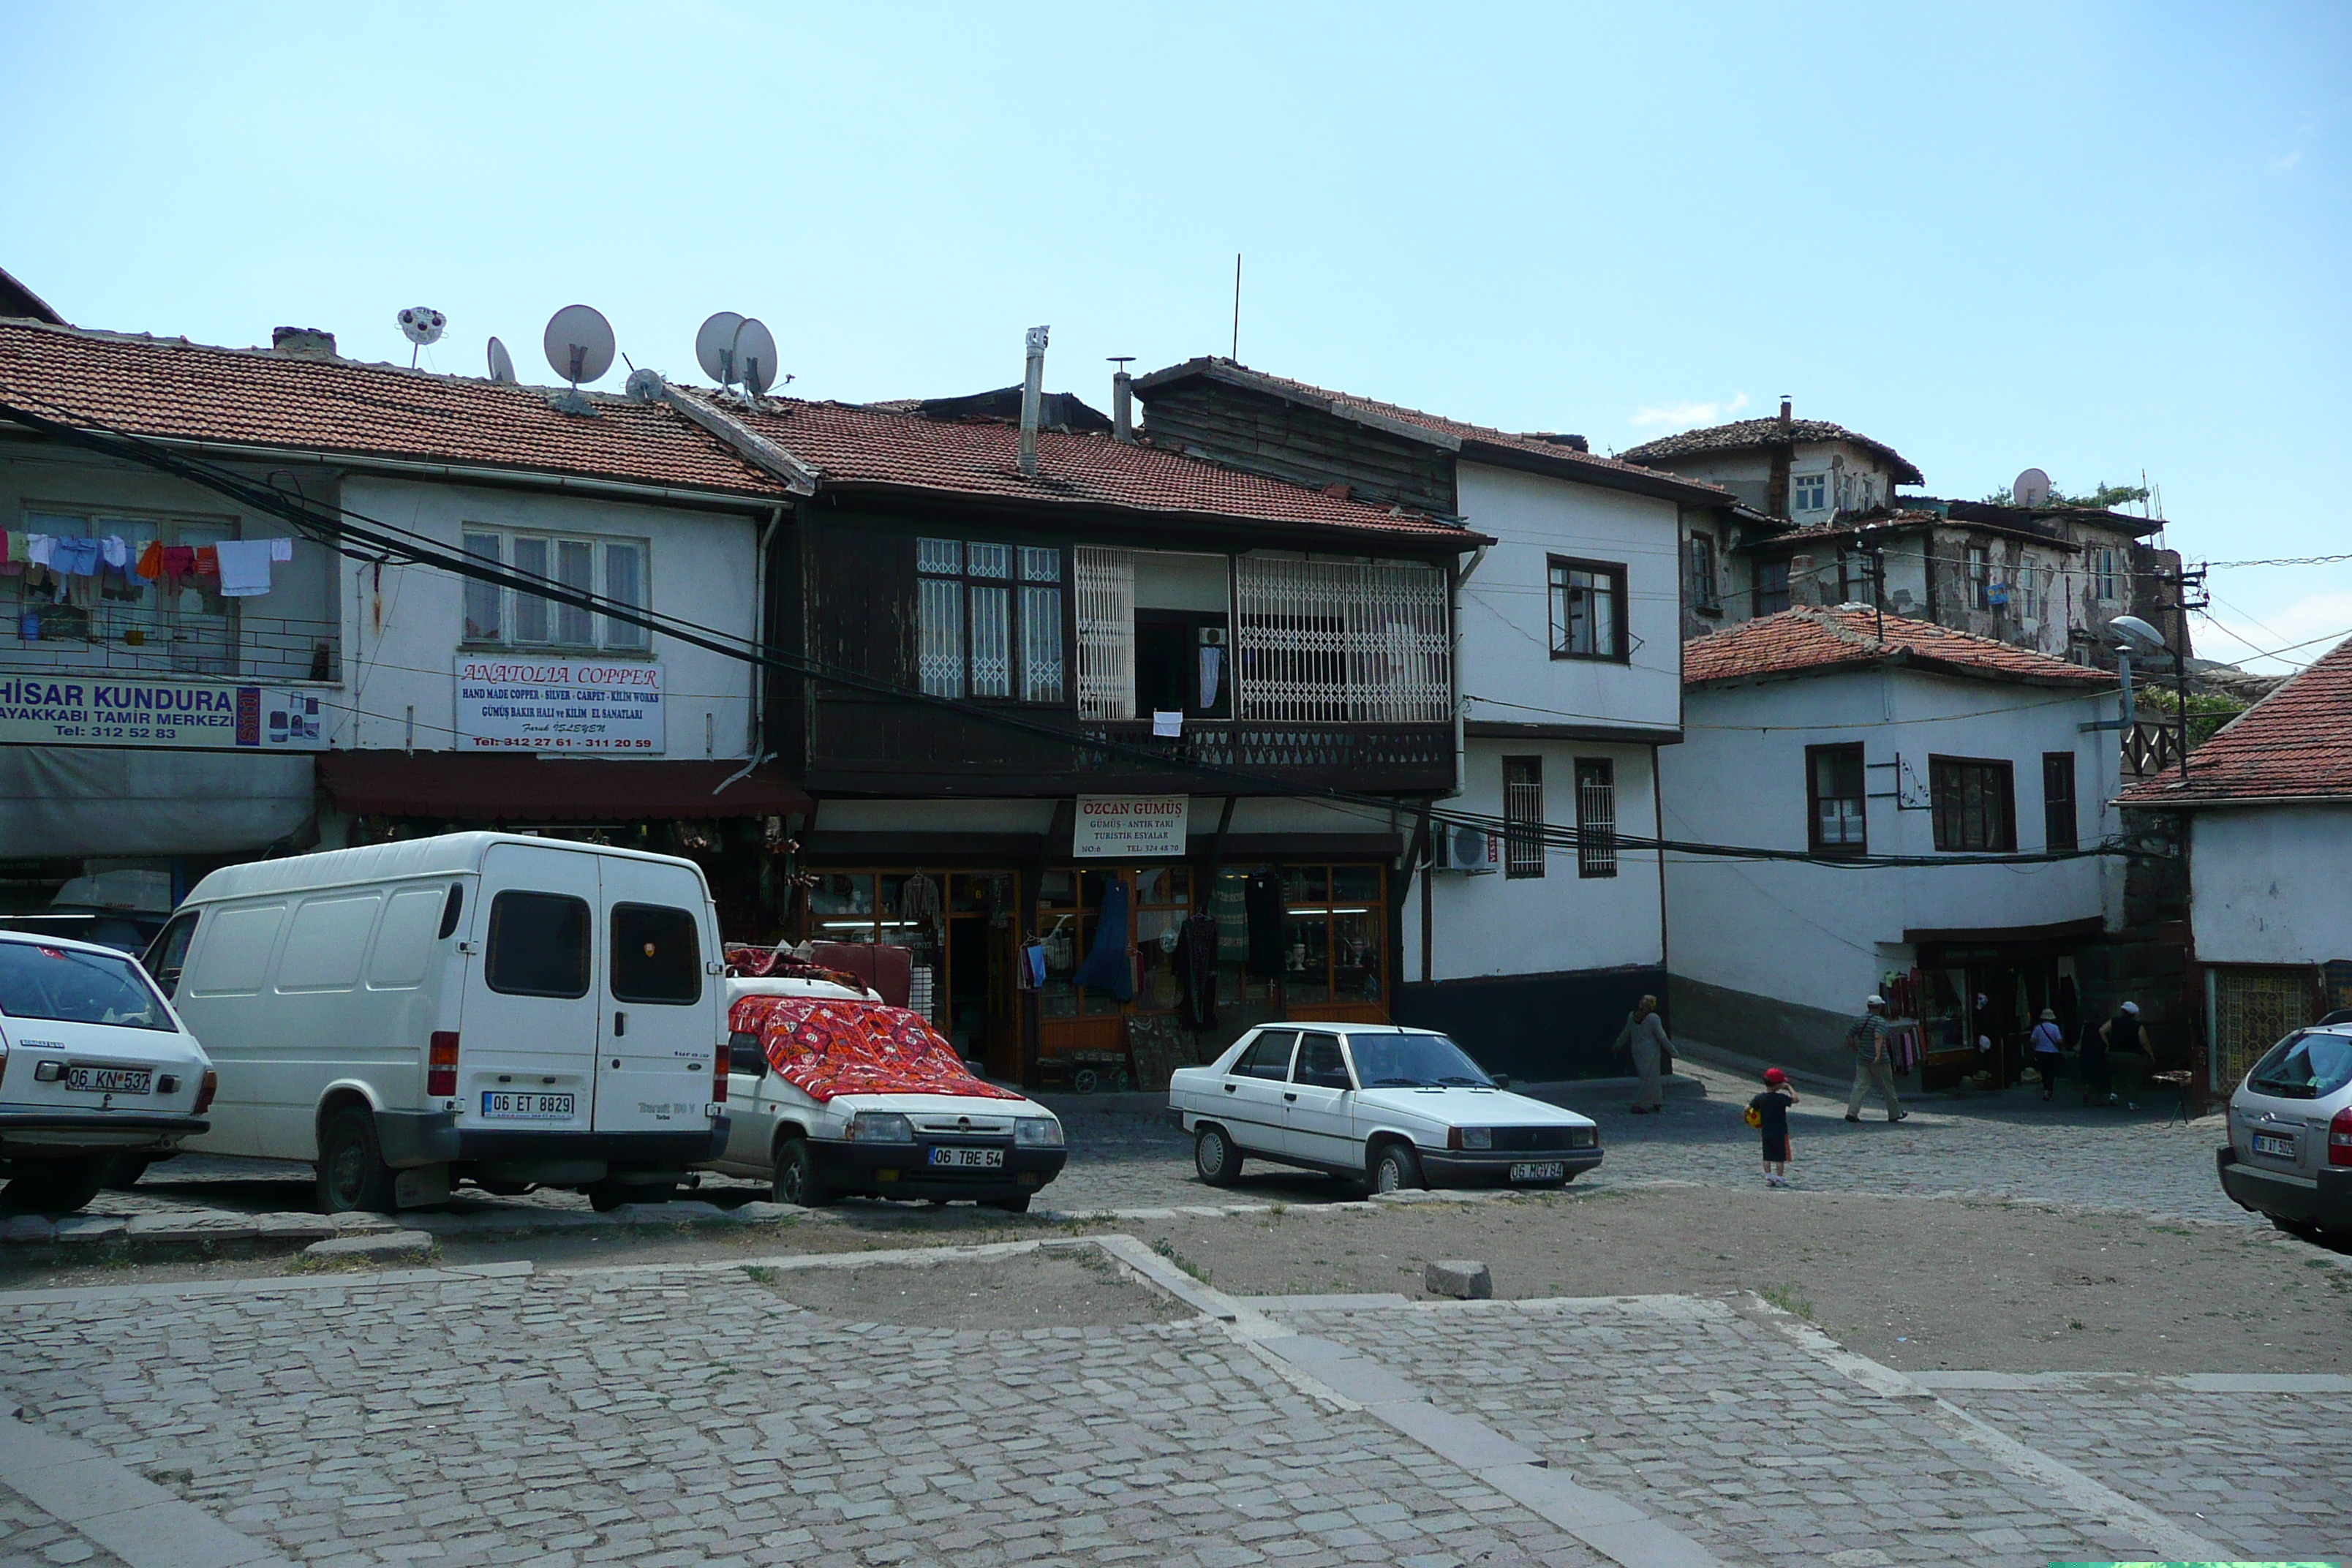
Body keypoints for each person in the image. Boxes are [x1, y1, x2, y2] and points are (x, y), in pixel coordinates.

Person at [1843, 994, 1908, 1123]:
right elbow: (1878, 1038)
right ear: (1879, 1008)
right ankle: (1894, 1114)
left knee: (1860, 1086)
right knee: (1887, 1087)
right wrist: (1877, 1055)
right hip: (1881, 1060)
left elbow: (1849, 1035)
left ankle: (1852, 1113)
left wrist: (1855, 1048)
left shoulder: (1860, 1020)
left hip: (1863, 1058)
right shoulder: (1880, 1022)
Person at [1615, 995, 1672, 1113]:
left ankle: (1657, 1100)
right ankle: (1639, 1104)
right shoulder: (1653, 1018)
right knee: (1650, 1077)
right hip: (1651, 1051)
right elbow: (1661, 1036)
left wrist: (1617, 1045)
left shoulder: (1632, 1015)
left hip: (1636, 1050)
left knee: (1647, 1076)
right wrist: (1672, 1051)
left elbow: (1626, 1033)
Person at [2089, 1000, 2141, 1107]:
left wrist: (2108, 1044)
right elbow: (2144, 1041)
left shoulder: (2114, 1021)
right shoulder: (2138, 1025)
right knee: (2132, 1078)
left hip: (2114, 1053)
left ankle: (2113, 1095)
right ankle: (2132, 1102)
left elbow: (2102, 1030)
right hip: (2132, 1054)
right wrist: (2150, 1053)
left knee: (2116, 1075)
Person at [1752, 1068, 1797, 1187]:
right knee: (1779, 1157)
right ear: (1778, 1085)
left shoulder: (1760, 1098)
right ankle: (1780, 1178)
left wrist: (1748, 1118)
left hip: (1765, 1130)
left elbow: (1748, 1108)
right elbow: (1796, 1099)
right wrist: (1789, 1088)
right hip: (1780, 1131)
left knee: (1767, 1156)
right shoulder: (1781, 1098)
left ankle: (1769, 1177)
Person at [2029, 1006, 2066, 1102]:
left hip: (2040, 1052)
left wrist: (2035, 1048)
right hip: (2052, 1052)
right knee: (2051, 1072)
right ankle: (2049, 1090)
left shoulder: (2037, 1028)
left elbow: (2032, 1040)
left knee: (2044, 1072)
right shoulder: (2055, 1028)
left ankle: (2046, 1089)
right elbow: (2059, 1040)